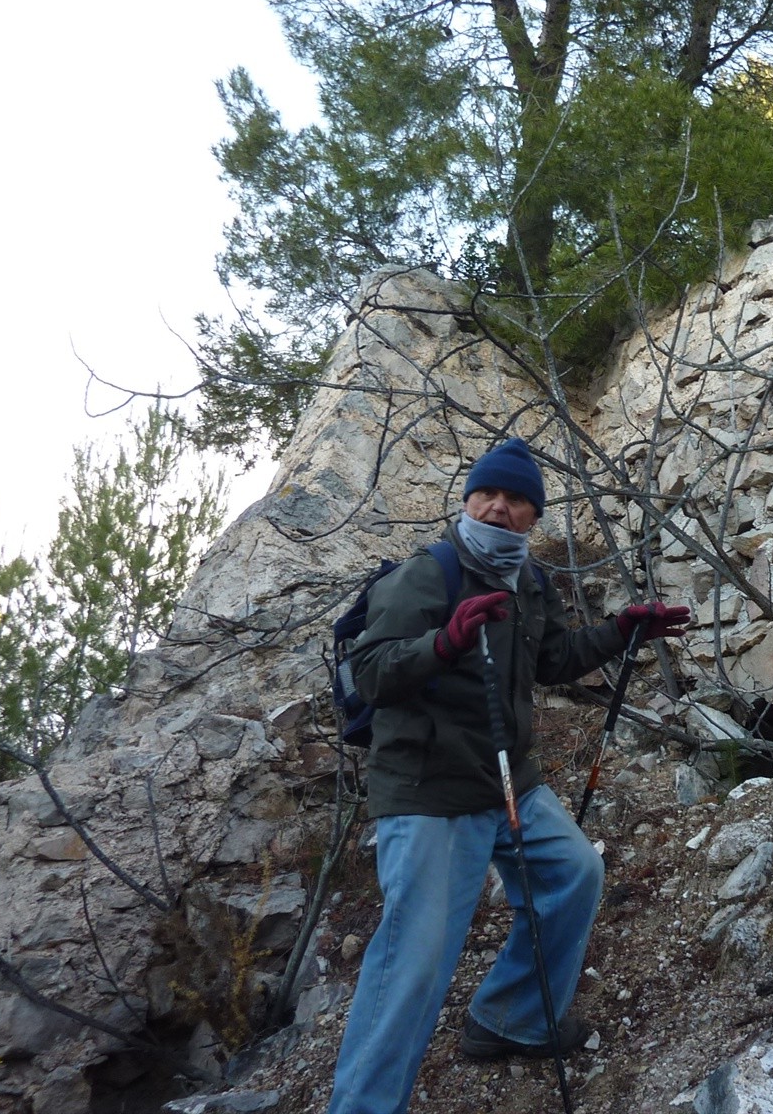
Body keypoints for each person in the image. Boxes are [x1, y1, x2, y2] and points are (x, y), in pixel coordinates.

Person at [327, 437, 691, 1114]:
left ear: (534, 516)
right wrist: (444, 643)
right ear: (468, 501)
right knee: (415, 963)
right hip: (430, 790)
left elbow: (552, 660)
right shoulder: (429, 574)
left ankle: (512, 1017)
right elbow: (371, 673)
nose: (499, 507)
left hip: (506, 780)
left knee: (574, 873)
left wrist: (622, 630)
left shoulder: (528, 580)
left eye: (516, 499)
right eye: (487, 494)